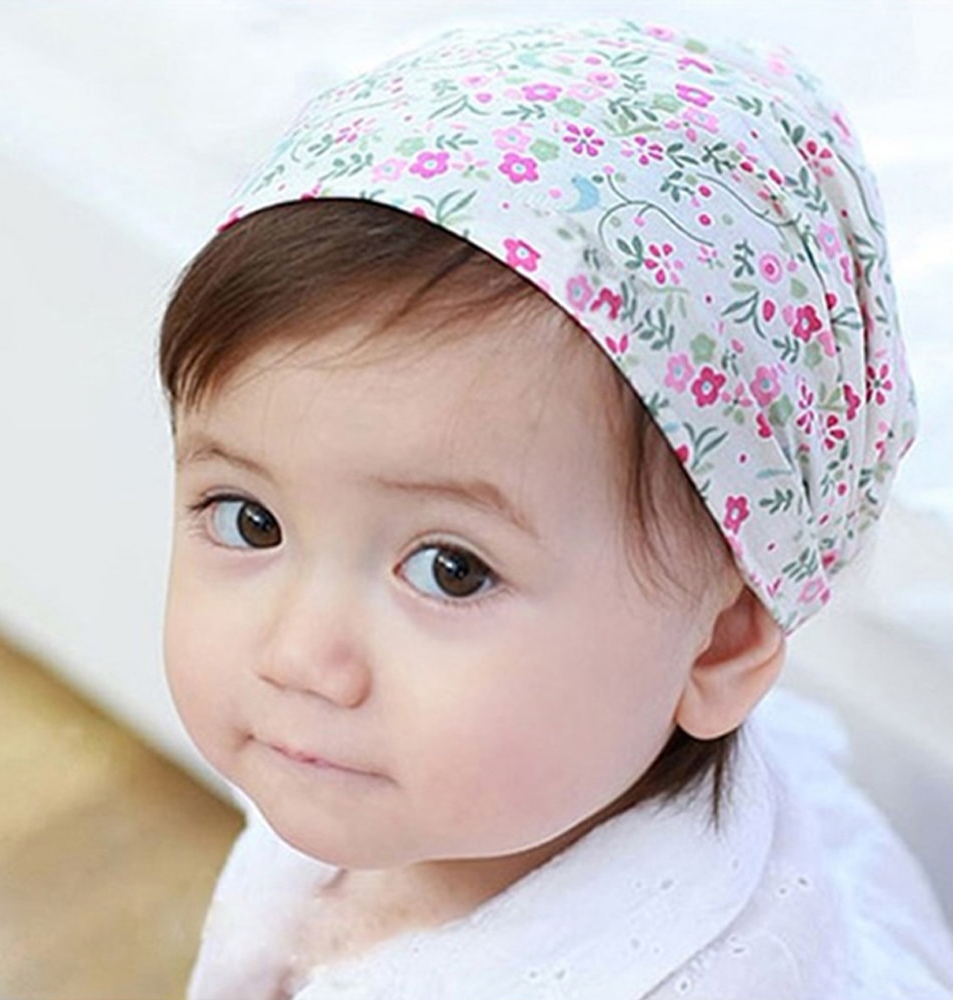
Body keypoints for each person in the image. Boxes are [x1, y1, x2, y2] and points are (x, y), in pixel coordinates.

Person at [158, 19, 953, 999]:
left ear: (716, 644)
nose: (296, 656)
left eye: (451, 570)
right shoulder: (402, 780)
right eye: (250, 520)